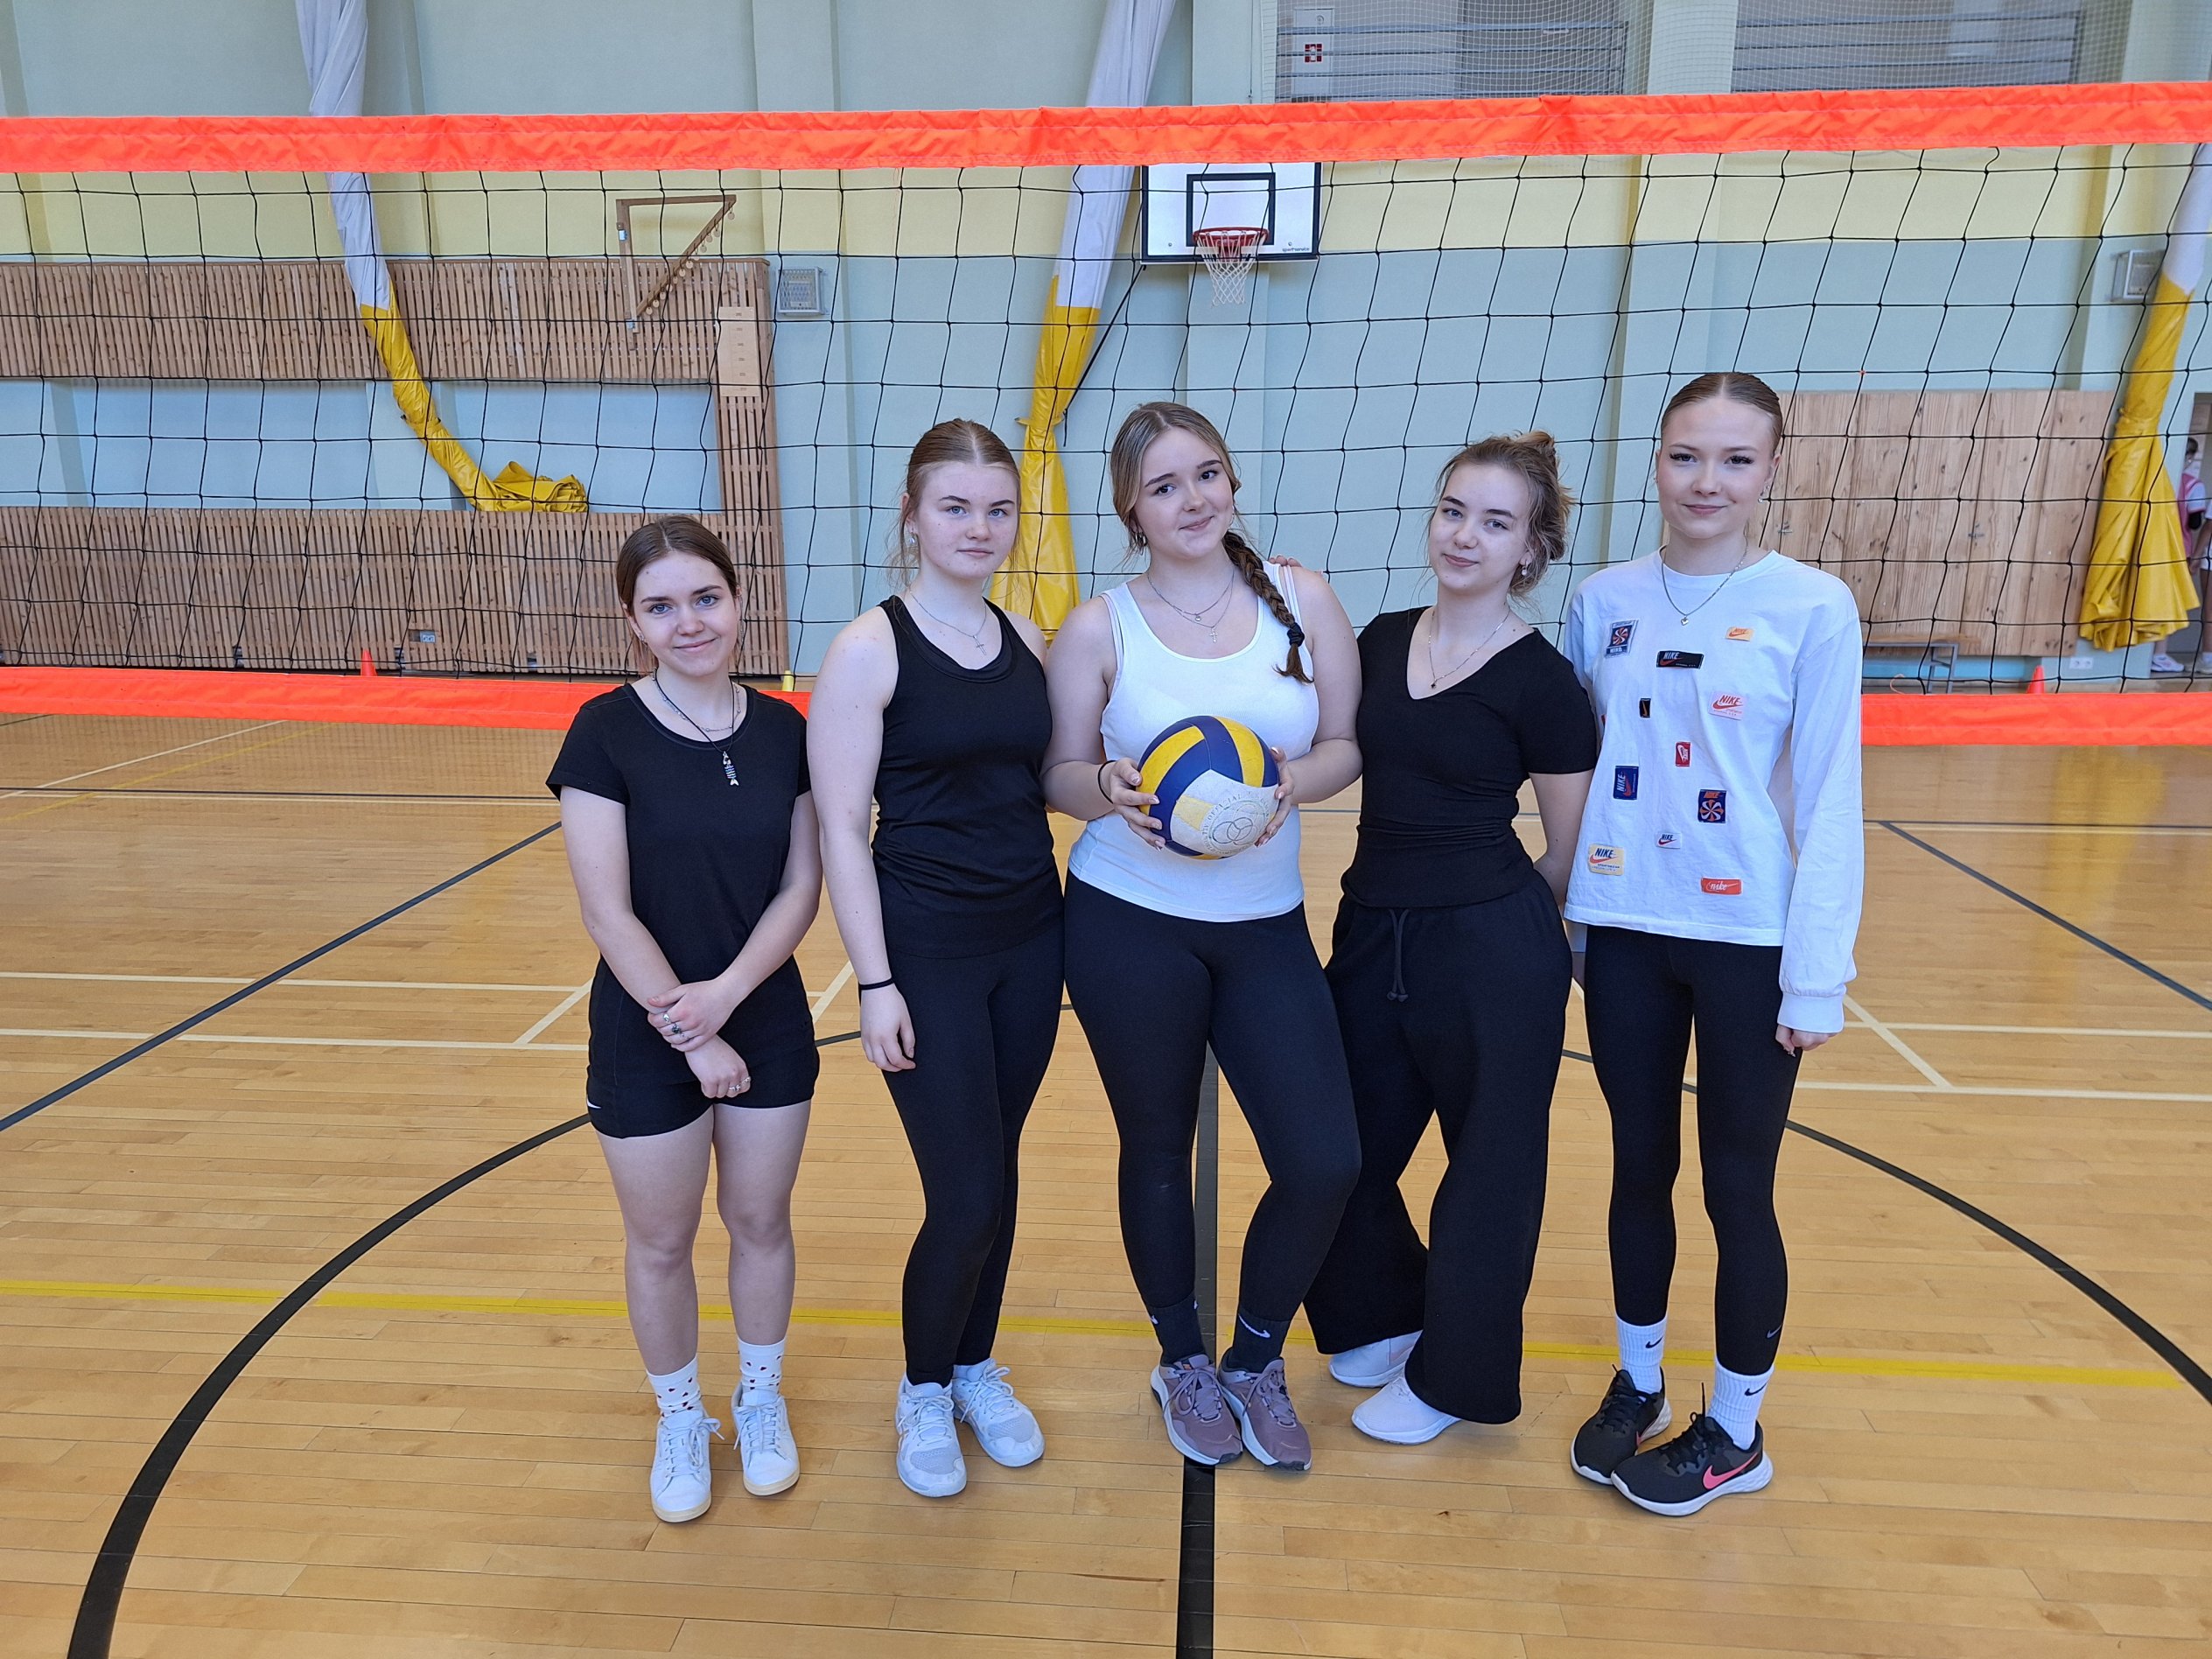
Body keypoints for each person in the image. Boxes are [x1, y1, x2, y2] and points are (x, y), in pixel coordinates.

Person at [1559, 371, 1863, 1516]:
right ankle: (1638, 1382)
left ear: (1770, 470)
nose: (1707, 480)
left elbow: (1829, 796)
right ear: (1657, 461)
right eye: (1687, 455)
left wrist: (1816, 976)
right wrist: (1572, 920)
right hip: (1625, 934)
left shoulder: (1811, 606)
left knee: (1739, 1186)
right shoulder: (1602, 600)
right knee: (1638, 1167)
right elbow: (1580, 775)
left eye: (1735, 459)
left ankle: (1735, 1430)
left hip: (1748, 941)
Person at [1044, 400, 1363, 1472]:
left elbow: (1344, 744)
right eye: (1164, 485)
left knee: (1322, 1159)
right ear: (1130, 508)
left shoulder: (1302, 599)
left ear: (1231, 480)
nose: (1192, 499)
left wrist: (1286, 787)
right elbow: (1056, 773)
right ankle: (1181, 1360)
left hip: (1263, 922)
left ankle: (1255, 1358)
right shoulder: (1099, 627)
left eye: (1207, 474)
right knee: (1156, 1147)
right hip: (1127, 921)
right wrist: (1104, 787)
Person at [1301, 433, 1598, 1446]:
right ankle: (1384, 1312)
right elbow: (1327, 745)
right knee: (1335, 1146)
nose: (1464, 535)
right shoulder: (1381, 640)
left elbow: (1567, 851)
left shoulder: (1542, 683)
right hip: (1368, 931)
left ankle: (1452, 1379)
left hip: (1490, 947)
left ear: (1530, 549)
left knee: (1488, 1171)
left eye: (1494, 522)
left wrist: (1491, 926)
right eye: (1452, 511)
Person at [548, 514, 821, 1522]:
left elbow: (801, 888)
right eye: (661, 606)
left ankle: (759, 1398)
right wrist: (692, 1032)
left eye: (705, 597)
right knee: (660, 1241)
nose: (689, 621)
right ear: (633, 622)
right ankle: (678, 1416)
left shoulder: (786, 730)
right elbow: (606, 911)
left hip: (764, 1012)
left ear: (737, 600)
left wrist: (728, 998)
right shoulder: (603, 732)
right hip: (646, 1031)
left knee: (759, 1221)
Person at [809, 419, 1061, 1500]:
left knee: (998, 1173)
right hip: (926, 952)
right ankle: (921, 1387)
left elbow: (1052, 778)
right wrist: (874, 982)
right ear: (912, 515)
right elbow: (839, 827)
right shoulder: (869, 648)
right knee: (962, 1194)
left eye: (997, 508)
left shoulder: (1027, 639)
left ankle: (970, 1367)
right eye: (955, 507)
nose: (978, 527)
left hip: (1031, 941)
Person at [2152, 435, 2208, 675]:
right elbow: (2195, 523)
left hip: (2153, 546)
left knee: (2153, 597)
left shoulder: (2157, 476)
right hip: (2178, 548)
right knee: (2169, 602)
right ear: (2190, 457)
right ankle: (2159, 653)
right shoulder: (2193, 485)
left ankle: (2152, 654)